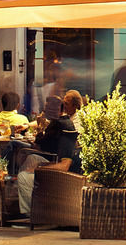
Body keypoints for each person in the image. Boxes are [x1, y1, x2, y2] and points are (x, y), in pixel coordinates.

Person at [15, 90, 82, 218]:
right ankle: (35, 204)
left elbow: (65, 165)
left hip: (68, 175)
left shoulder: (66, 128)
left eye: (47, 109)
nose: (44, 112)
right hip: (59, 162)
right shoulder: (59, 123)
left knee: (24, 176)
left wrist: (39, 168)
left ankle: (33, 214)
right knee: (31, 158)